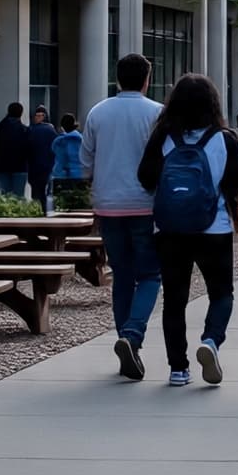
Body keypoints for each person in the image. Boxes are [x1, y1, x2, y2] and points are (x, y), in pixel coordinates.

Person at [137, 74, 238, 387]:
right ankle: (211, 340)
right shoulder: (224, 139)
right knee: (222, 292)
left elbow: (145, 177)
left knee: (174, 299)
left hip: (169, 229)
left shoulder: (164, 137)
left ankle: (178, 368)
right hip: (213, 227)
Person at [81, 54, 164, 380]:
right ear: (147, 79)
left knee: (122, 276)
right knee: (150, 275)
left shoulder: (98, 112)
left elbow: (85, 162)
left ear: (117, 78)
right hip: (145, 203)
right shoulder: (157, 113)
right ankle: (132, 335)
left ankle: (125, 341)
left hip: (108, 204)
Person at [0, 103, 30, 196]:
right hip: (20, 167)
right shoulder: (24, 130)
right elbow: (29, 149)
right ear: (21, 113)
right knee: (18, 196)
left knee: (3, 196)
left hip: (1, 167)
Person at [51, 114, 87, 210]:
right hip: (79, 175)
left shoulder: (59, 141)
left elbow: (57, 156)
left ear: (62, 126)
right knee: (79, 205)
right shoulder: (82, 140)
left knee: (60, 206)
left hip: (61, 176)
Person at [26, 106, 57, 207]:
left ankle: (37, 209)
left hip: (33, 166)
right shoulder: (51, 131)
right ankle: (45, 209)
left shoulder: (30, 130)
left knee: (36, 190)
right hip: (47, 165)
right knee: (45, 189)